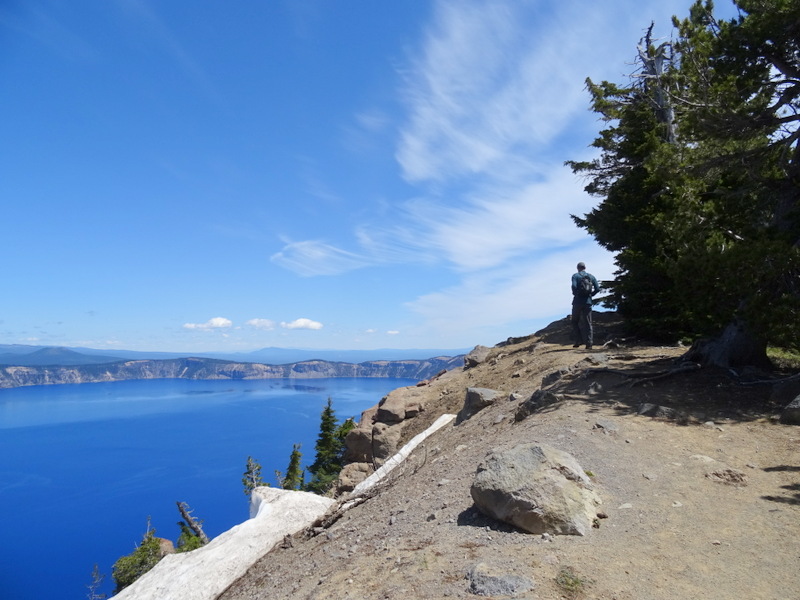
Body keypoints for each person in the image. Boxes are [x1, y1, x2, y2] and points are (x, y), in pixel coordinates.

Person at [571, 262, 599, 349]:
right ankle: (589, 343)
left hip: (577, 302)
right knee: (588, 323)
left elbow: (574, 286)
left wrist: (576, 294)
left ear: (577, 268)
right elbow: (597, 288)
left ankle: (578, 341)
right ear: (585, 267)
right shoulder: (591, 276)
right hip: (588, 302)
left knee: (575, 321)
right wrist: (591, 295)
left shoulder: (575, 276)